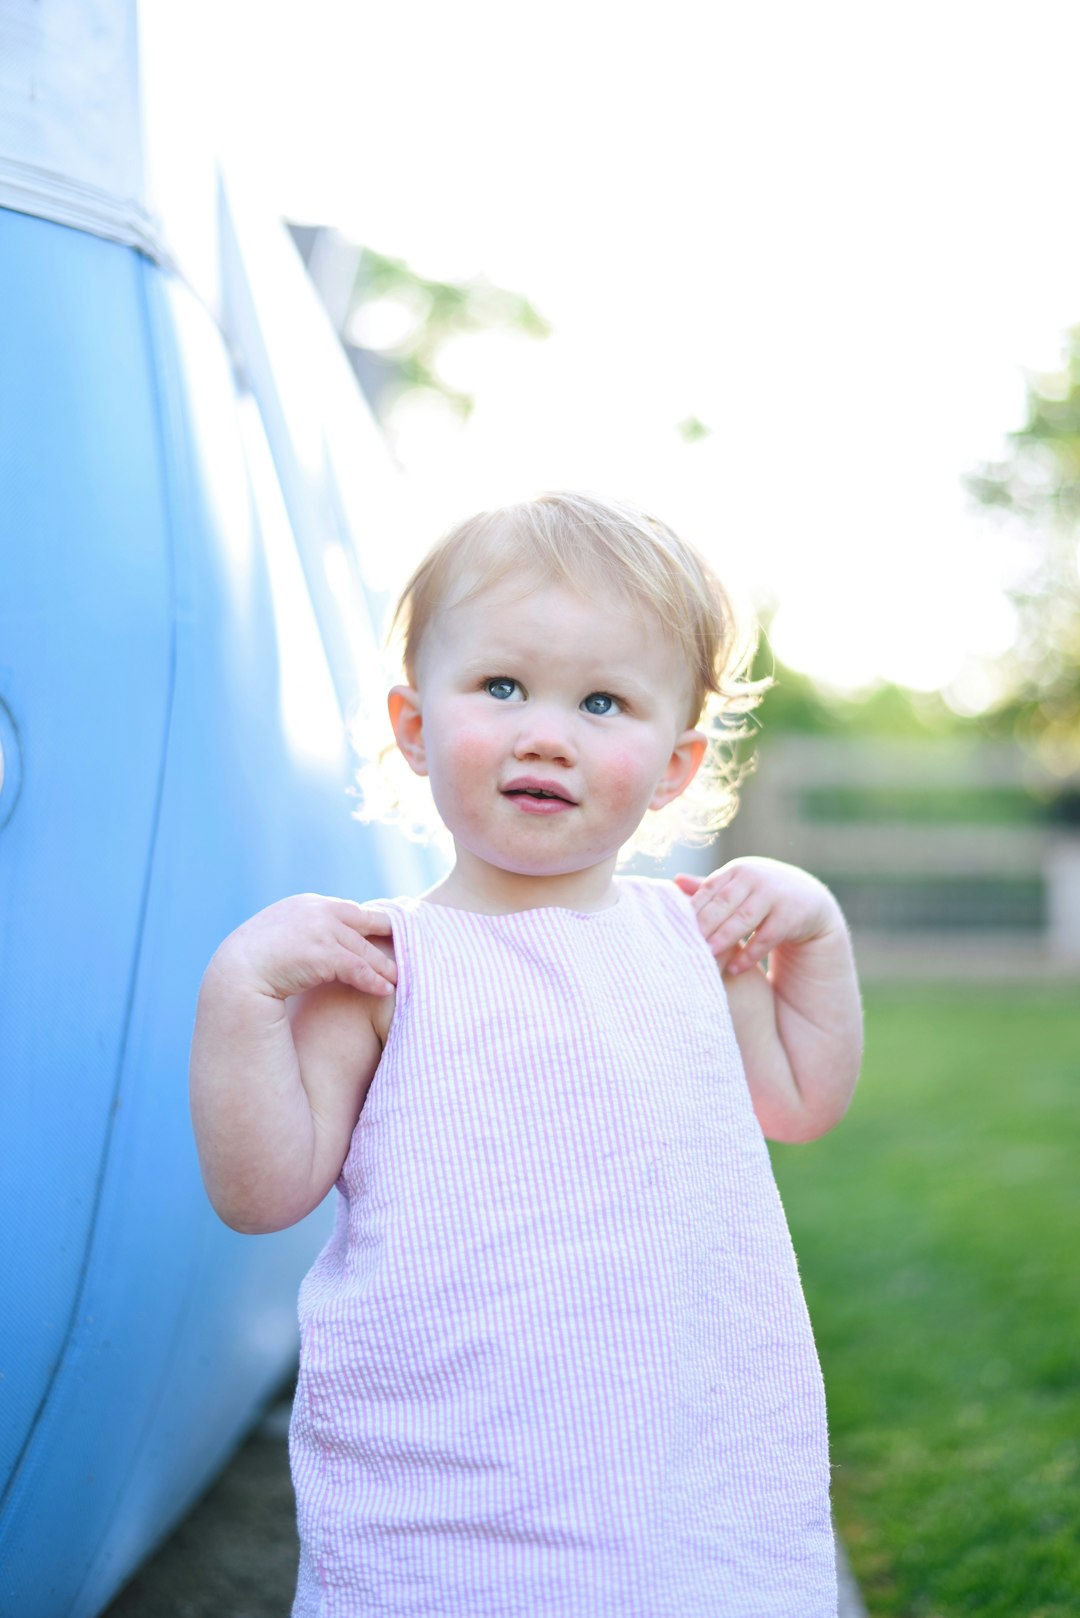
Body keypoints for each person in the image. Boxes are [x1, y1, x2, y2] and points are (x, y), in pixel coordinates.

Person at [189, 491, 863, 1618]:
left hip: (673, 1464)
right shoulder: (384, 967)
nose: (546, 731)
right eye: (502, 686)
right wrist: (241, 989)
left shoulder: (692, 944)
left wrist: (819, 936)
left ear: (676, 764)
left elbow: (802, 1100)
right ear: (412, 723)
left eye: (603, 701)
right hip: (449, 1473)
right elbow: (259, 1195)